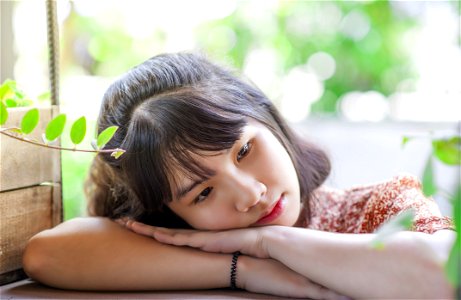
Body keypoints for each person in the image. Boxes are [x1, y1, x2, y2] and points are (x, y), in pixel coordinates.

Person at [23, 52, 455, 299]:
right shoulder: (183, 246)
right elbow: (47, 254)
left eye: (245, 150)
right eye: (203, 193)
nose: (250, 194)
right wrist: (242, 270)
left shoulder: (377, 207)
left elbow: (447, 275)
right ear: (171, 212)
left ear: (267, 117)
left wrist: (268, 241)